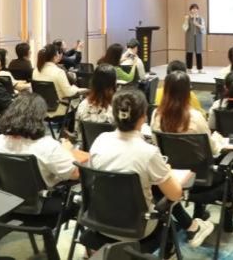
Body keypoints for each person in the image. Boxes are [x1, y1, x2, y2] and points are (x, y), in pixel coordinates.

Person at [88, 90, 215, 252]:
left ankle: (191, 226)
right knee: (162, 191)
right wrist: (167, 171)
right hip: (137, 229)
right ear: (143, 117)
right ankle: (190, 229)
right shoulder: (148, 153)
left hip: (99, 221)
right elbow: (175, 195)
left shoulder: (100, 140)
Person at [0, 93, 89, 226]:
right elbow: (74, 174)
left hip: (6, 203)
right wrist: (67, 151)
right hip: (41, 208)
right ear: (40, 117)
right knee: (84, 202)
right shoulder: (47, 146)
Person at [152, 71, 232, 227]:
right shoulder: (195, 117)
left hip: (172, 177)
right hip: (201, 177)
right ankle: (226, 217)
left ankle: (197, 213)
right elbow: (212, 150)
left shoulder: (157, 115)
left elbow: (157, 147)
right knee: (229, 178)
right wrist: (219, 141)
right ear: (187, 91)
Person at [183, 3, 205, 73]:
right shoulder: (188, 18)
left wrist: (197, 24)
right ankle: (189, 69)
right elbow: (184, 29)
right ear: (190, 10)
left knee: (199, 53)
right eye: (193, 9)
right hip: (190, 38)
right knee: (189, 53)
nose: (194, 10)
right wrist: (186, 20)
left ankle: (200, 69)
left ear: (198, 10)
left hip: (198, 38)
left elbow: (204, 29)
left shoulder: (201, 18)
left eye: (196, 8)